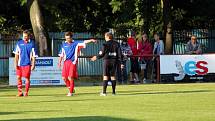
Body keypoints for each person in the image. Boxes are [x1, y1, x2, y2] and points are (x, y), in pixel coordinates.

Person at [58, 32, 96, 96]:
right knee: (64, 78)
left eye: (68, 38)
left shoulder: (76, 43)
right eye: (66, 38)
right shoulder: (63, 44)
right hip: (66, 62)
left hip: (73, 62)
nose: (67, 40)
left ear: (71, 38)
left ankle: (70, 92)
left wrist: (91, 40)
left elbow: (84, 42)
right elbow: (61, 54)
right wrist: (59, 62)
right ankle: (71, 88)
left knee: (70, 77)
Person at [13, 30, 38, 97]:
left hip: (27, 64)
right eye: (23, 36)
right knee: (18, 77)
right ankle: (20, 92)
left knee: (27, 78)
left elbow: (33, 56)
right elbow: (16, 55)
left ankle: (26, 92)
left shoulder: (32, 44)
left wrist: (33, 64)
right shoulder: (19, 43)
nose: (24, 37)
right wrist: (15, 64)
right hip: (19, 64)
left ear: (29, 36)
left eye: (26, 36)